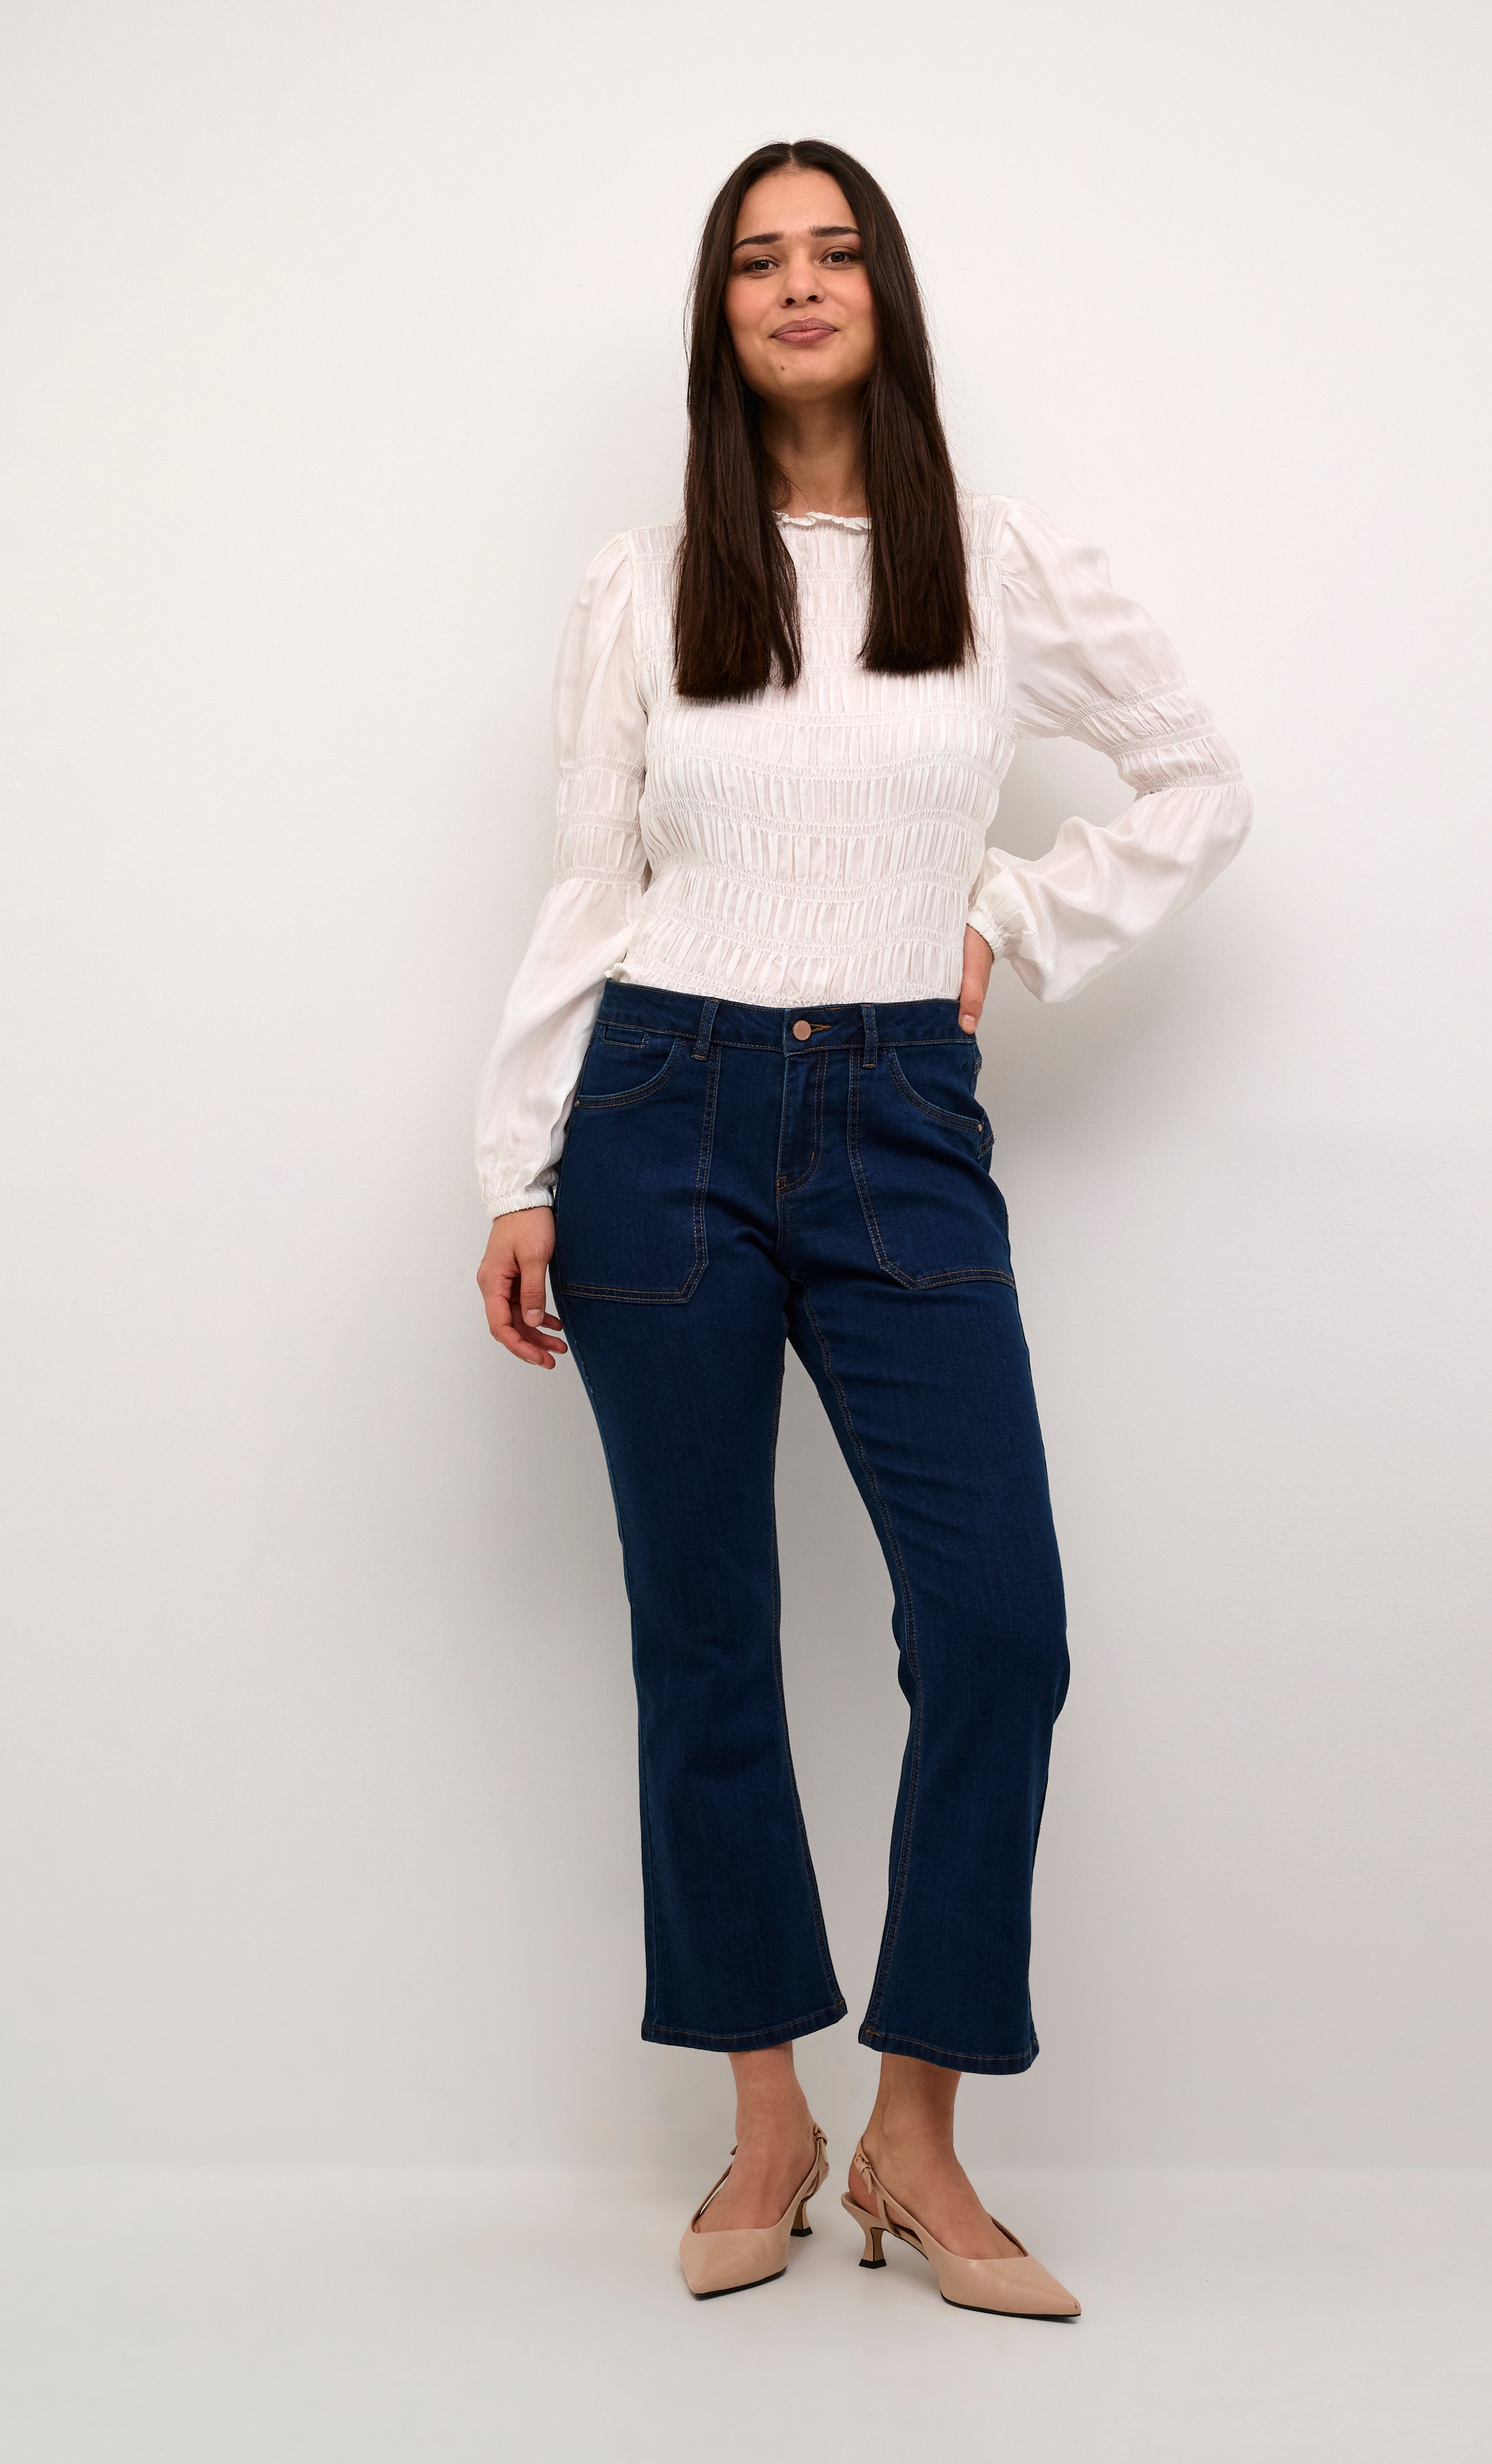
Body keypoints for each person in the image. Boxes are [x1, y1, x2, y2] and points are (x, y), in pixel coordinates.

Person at [474, 138, 1250, 2317]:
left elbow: (1201, 782)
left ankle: (917, 2136)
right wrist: (519, 1164)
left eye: (834, 253)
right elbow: (591, 887)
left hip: (902, 1118)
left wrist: (1016, 913)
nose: (798, 284)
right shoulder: (645, 585)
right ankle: (766, 2120)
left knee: (999, 1628)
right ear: (719, 316)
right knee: (704, 1634)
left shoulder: (996, 562)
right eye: (758, 260)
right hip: (661, 1117)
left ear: (886, 296)